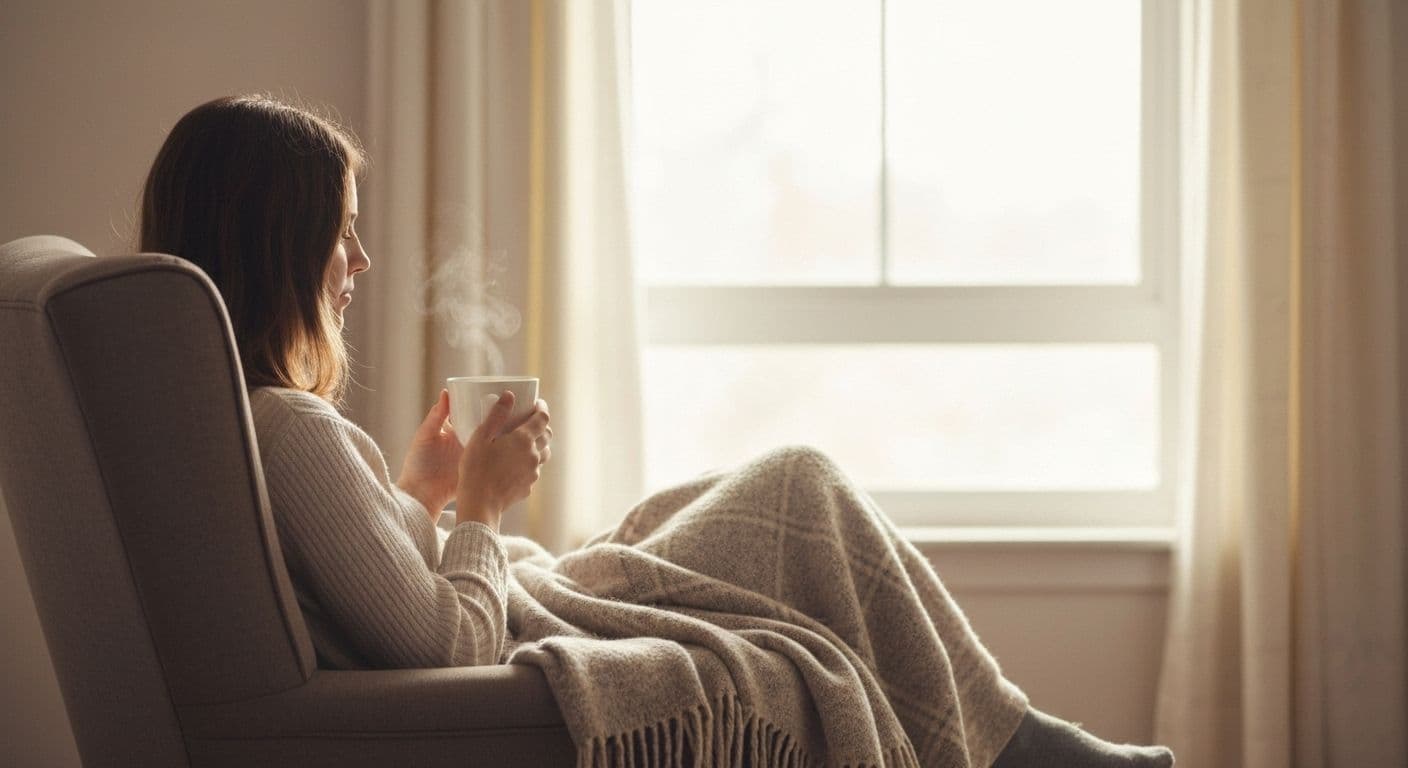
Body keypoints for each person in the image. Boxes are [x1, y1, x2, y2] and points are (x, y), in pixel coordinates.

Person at [140, 94, 1174, 768]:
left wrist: (421, 492)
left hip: (531, 596)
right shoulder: (291, 429)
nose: (357, 263)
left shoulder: (254, 422)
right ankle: (1036, 753)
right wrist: (482, 505)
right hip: (531, 621)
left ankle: (1029, 749)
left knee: (773, 501)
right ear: (275, 237)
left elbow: (381, 600)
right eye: (341, 232)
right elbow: (446, 641)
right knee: (796, 484)